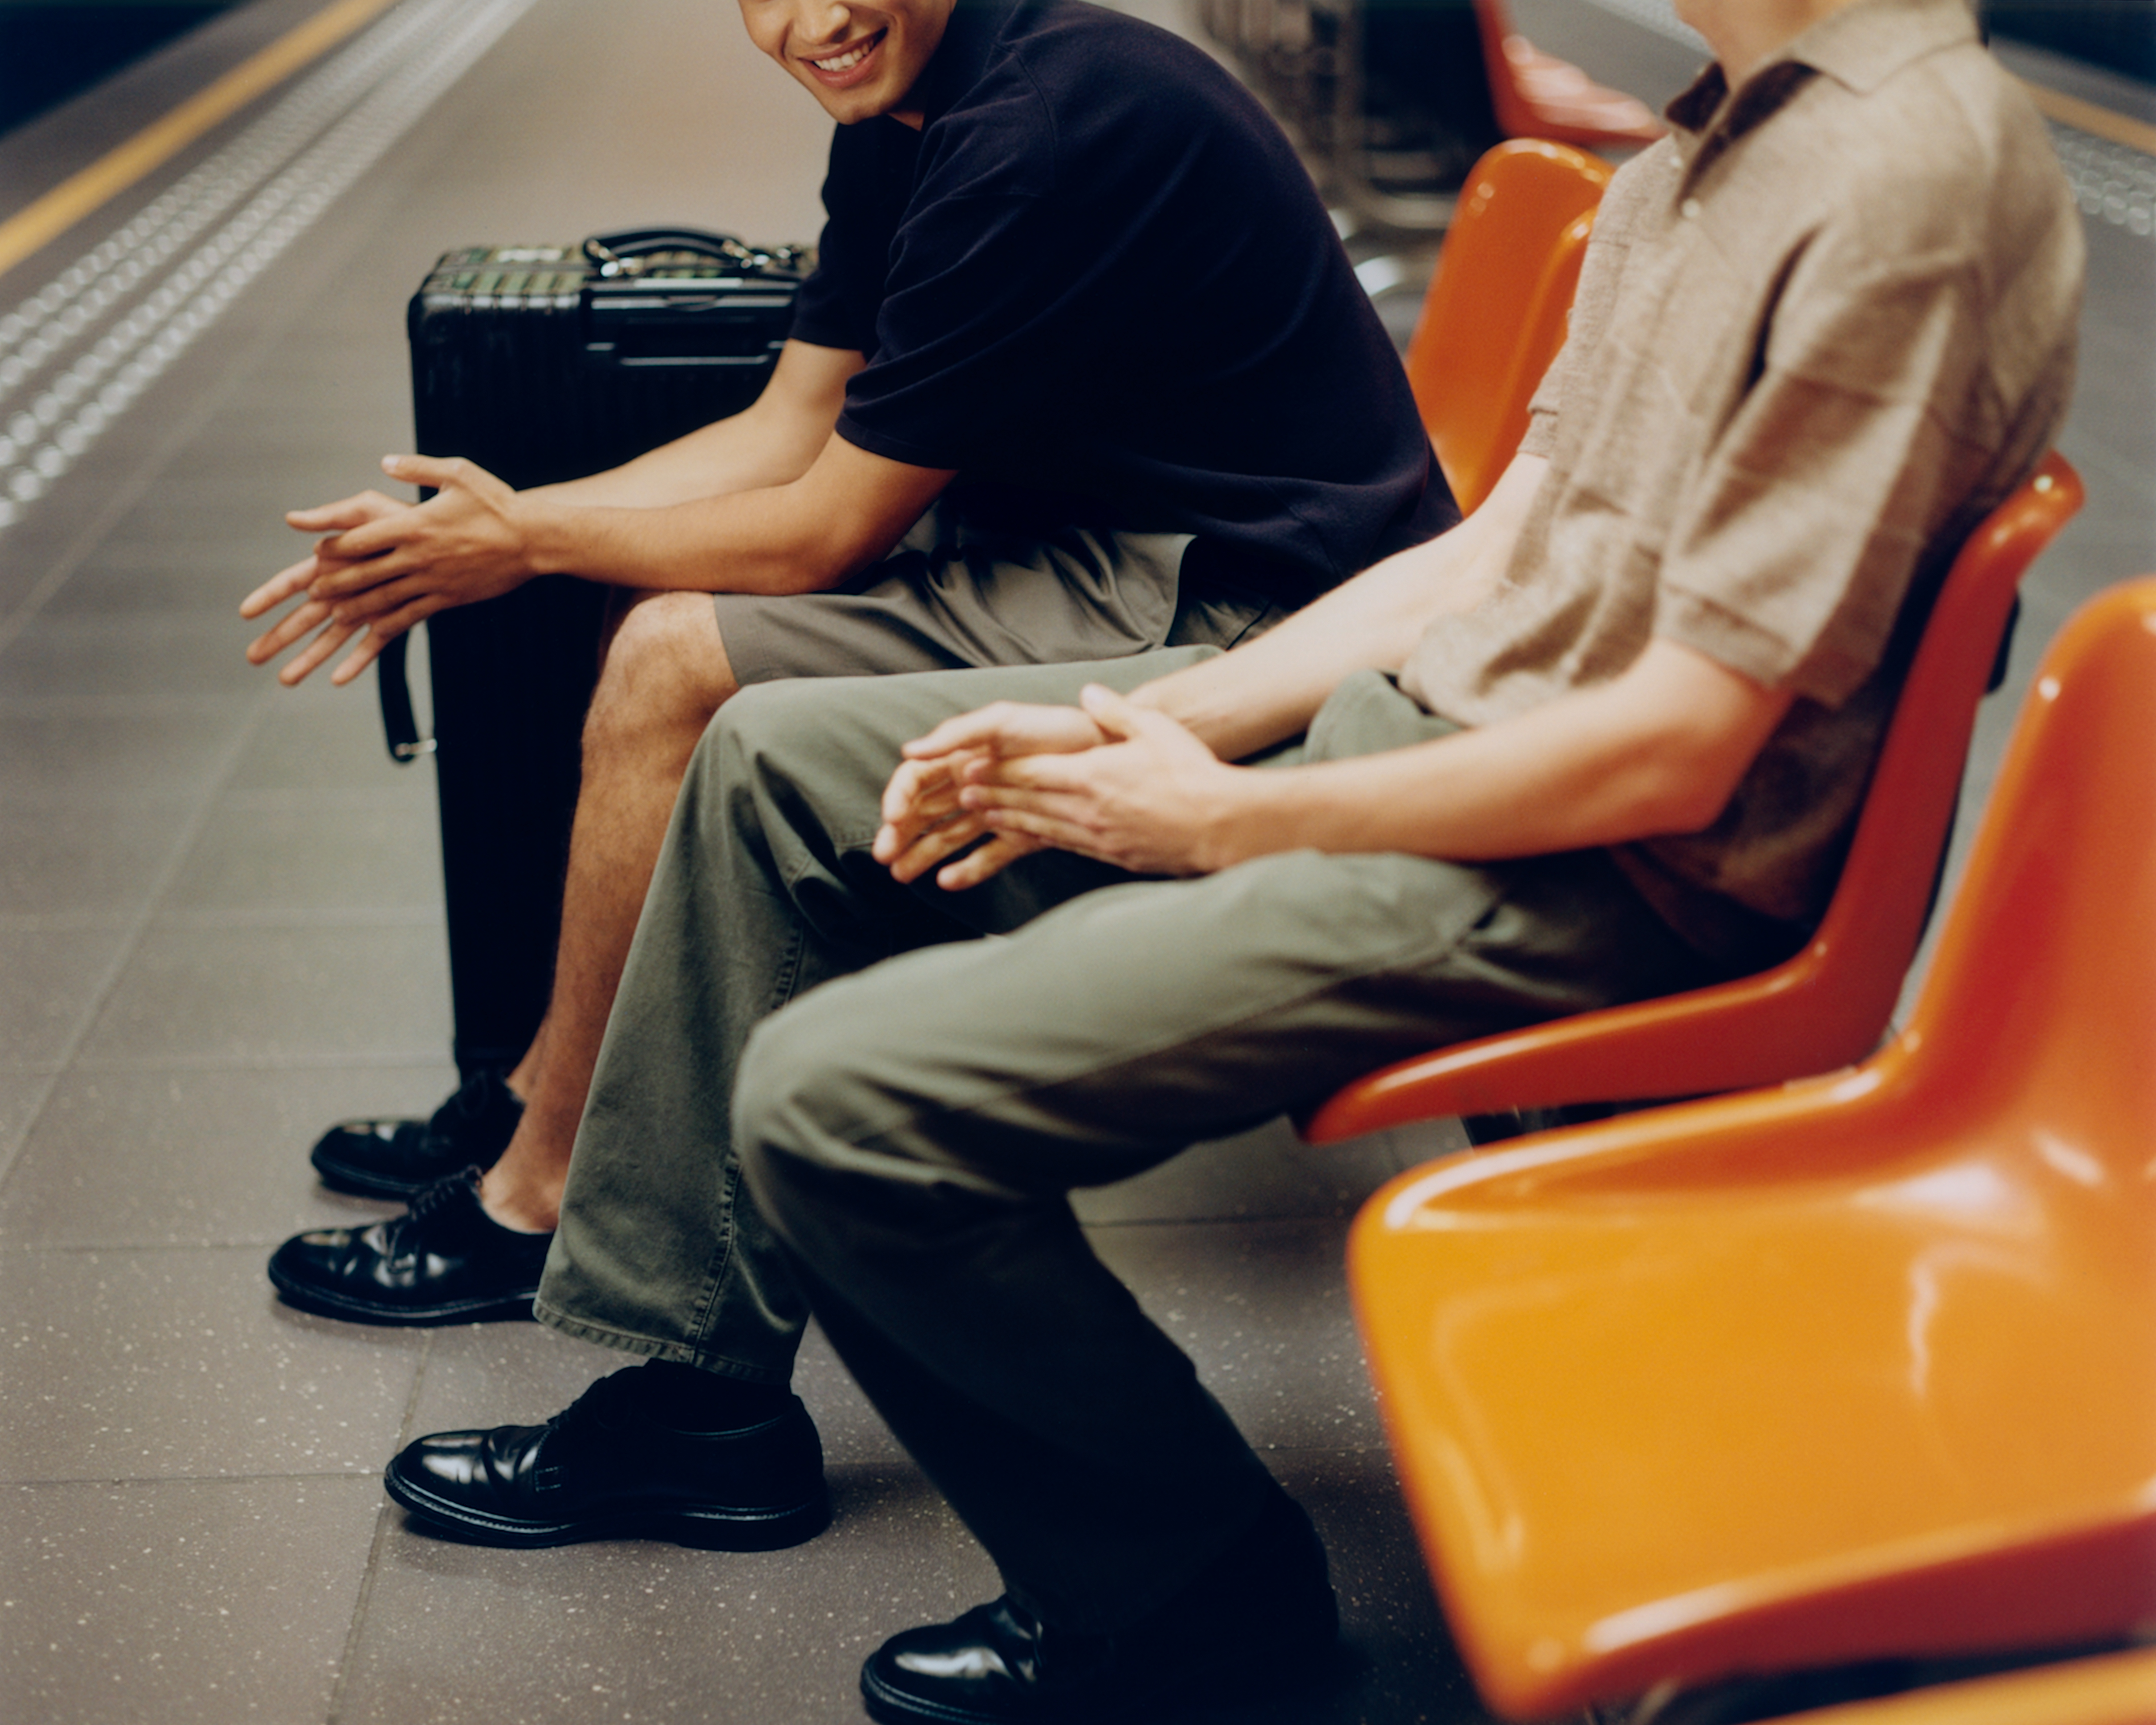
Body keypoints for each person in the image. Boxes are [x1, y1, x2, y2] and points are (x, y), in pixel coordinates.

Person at [382, 0, 2082, 1716]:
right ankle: (688, 1392)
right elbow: (1485, 553)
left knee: (839, 1108)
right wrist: (1163, 722)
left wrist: (1236, 817)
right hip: (1432, 746)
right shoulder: (1706, 142)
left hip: (1595, 870)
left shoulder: (1894, 180)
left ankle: (1190, 1605)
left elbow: (1677, 752)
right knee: (770, 762)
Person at [248, 0, 1454, 1325]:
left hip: (1251, 609)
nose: (817, 19)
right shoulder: (907, 103)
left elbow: (825, 530)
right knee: (652, 595)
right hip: (1114, 545)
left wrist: (528, 540)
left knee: (670, 661)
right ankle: (550, 1092)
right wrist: (494, 530)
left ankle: (536, 1201)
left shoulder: (1034, 128)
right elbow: (792, 424)